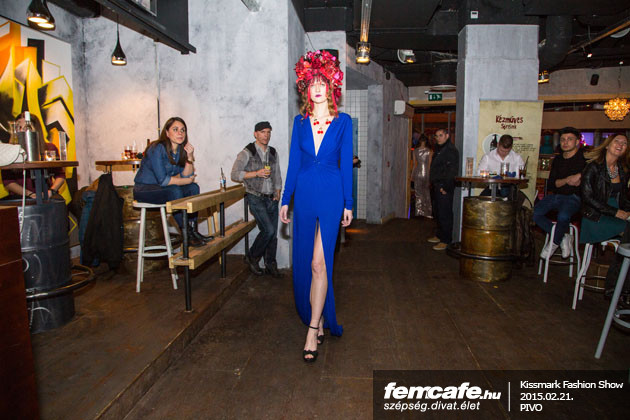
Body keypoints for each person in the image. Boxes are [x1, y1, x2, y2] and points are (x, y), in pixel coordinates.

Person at [280, 50, 353, 363]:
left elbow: (346, 165)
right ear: (306, 89)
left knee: (319, 263)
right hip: (306, 194)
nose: (318, 88)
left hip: (332, 195)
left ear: (331, 87)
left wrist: (349, 202)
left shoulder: (343, 122)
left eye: (323, 82)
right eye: (312, 83)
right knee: (307, 264)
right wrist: (286, 198)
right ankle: (318, 317)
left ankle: (312, 329)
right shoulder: (299, 123)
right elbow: (294, 163)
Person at [133, 117, 211, 247]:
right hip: (144, 190)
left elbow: (187, 174)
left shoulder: (180, 150)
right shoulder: (157, 148)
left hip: (162, 189)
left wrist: (190, 157)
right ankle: (186, 233)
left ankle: (193, 230)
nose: (180, 133)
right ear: (167, 133)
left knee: (193, 187)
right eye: (175, 129)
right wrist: (186, 180)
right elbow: (164, 181)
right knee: (175, 190)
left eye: (183, 130)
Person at [580, 133, 630, 302]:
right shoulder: (593, 167)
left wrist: (625, 211)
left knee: (627, 239)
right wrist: (615, 212)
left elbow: (624, 199)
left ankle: (619, 287)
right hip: (595, 217)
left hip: (615, 215)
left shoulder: (622, 170)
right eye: (617, 141)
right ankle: (616, 287)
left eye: (624, 143)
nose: (620, 144)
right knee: (628, 235)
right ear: (607, 145)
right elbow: (587, 197)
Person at [231, 121, 283, 277]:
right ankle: (252, 256)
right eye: (262, 132)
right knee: (268, 230)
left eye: (268, 132)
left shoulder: (273, 152)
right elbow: (234, 174)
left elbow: (277, 173)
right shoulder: (247, 152)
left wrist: (278, 191)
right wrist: (256, 173)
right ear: (255, 134)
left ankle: (270, 264)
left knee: (273, 234)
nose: (266, 135)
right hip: (255, 196)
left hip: (271, 197)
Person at [535, 127, 586, 258]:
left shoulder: (584, 159)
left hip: (575, 198)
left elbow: (586, 179)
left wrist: (578, 176)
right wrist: (568, 179)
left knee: (563, 216)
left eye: (569, 139)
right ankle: (562, 236)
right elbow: (552, 184)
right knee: (534, 214)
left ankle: (554, 242)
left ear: (577, 142)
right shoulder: (558, 159)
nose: (565, 142)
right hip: (557, 196)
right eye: (563, 139)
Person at [1, 112, 65, 201]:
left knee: (58, 203)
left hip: (46, 195)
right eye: (19, 128)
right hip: (20, 197)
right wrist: (30, 194)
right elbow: (8, 182)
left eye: (26, 128)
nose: (22, 131)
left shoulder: (49, 148)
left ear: (35, 129)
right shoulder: (10, 152)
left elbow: (60, 175)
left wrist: (51, 191)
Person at [428, 128, 458, 251]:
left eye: (441, 135)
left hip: (443, 185)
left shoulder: (450, 150)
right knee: (438, 212)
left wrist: (445, 187)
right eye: (436, 136)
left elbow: (452, 171)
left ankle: (446, 240)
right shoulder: (440, 148)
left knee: (445, 213)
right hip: (437, 184)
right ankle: (440, 235)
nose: (438, 138)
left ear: (447, 136)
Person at [411, 133, 432, 217]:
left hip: (418, 172)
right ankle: (427, 212)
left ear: (419, 141)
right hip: (426, 172)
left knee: (418, 193)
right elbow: (429, 165)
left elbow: (414, 164)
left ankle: (419, 211)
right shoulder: (429, 151)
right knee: (426, 192)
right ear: (426, 141)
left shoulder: (415, 151)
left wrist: (412, 175)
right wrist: (430, 175)